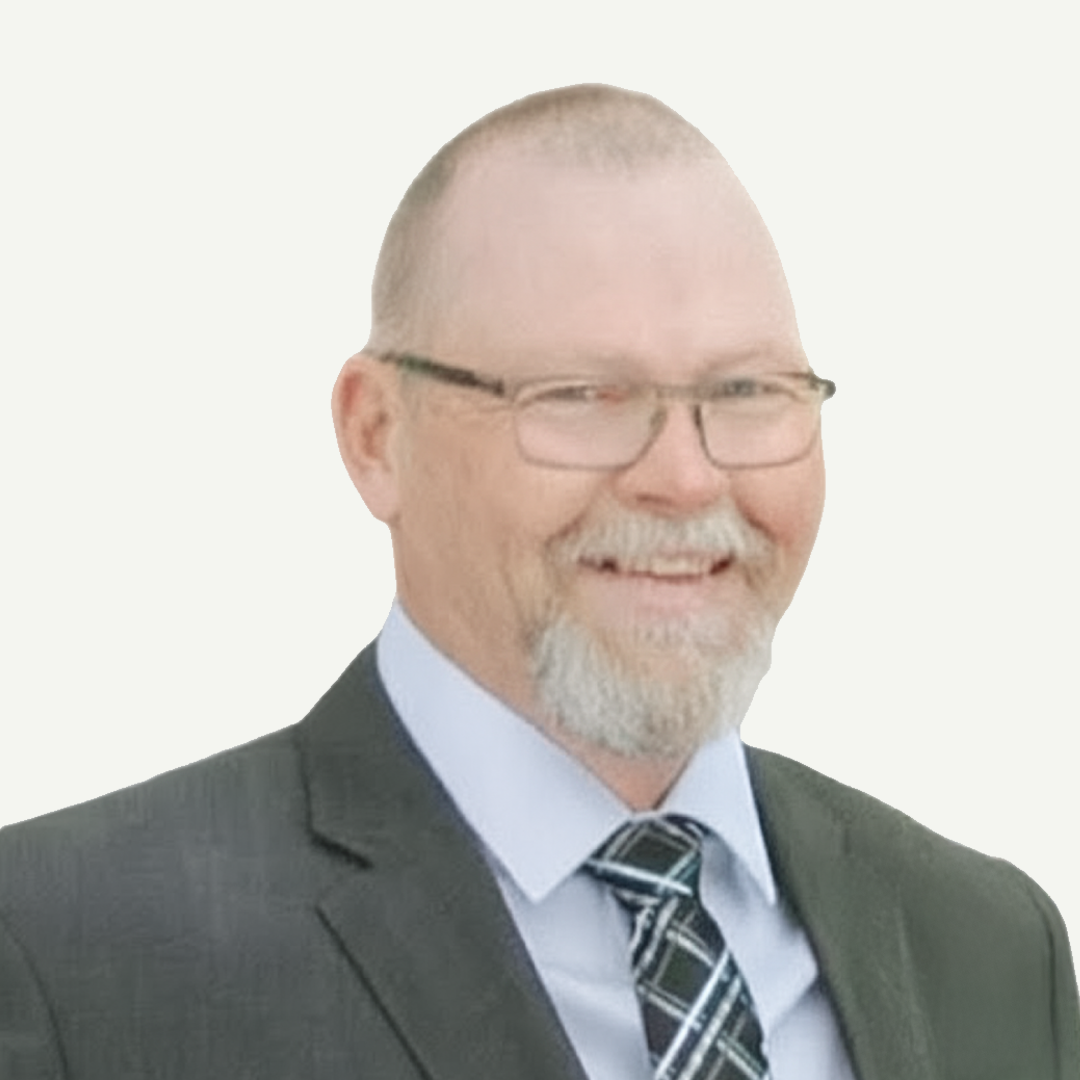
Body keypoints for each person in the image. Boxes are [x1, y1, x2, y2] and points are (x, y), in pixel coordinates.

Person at [0, 84, 1076, 1080]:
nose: (685, 477)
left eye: (748, 391)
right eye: (583, 396)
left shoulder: (988, 947)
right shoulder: (63, 953)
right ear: (377, 436)